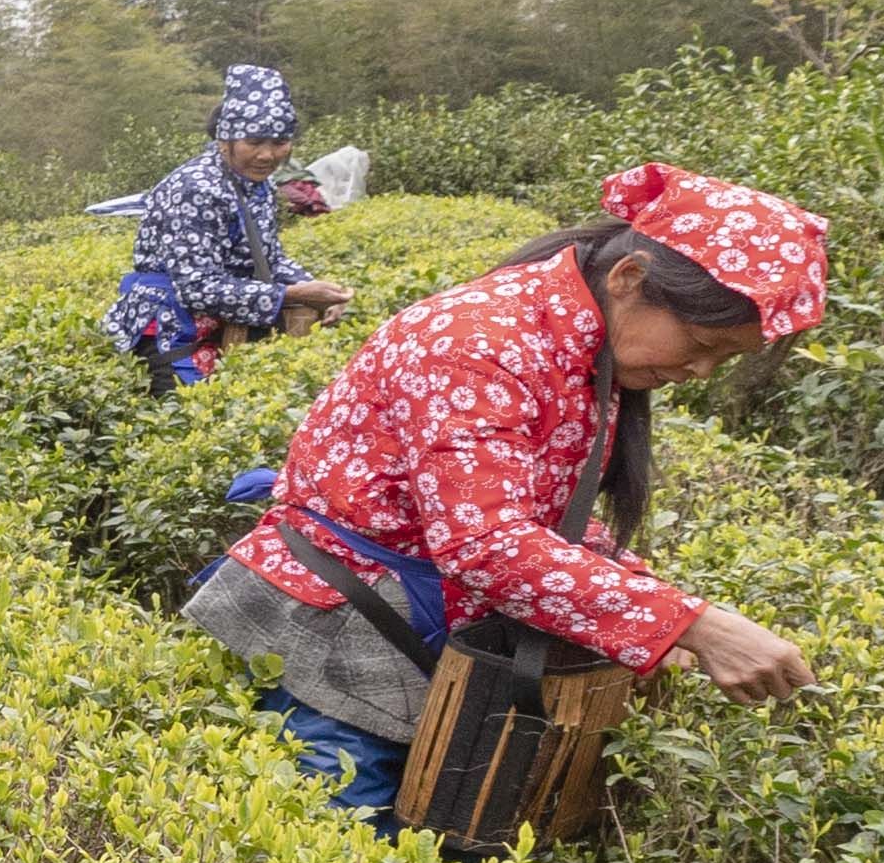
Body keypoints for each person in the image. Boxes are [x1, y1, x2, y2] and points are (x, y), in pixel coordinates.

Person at [184, 163, 833, 825]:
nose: (699, 371)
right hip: (341, 639)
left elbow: (546, 514)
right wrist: (693, 623)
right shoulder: (478, 342)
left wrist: (657, 619)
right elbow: (488, 545)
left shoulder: (580, 345)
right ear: (629, 279)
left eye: (725, 361)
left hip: (416, 625)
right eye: (703, 344)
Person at [107, 64, 356, 385]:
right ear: (226, 140)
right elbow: (196, 287)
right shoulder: (195, 188)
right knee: (190, 417)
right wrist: (292, 293)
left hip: (228, 316)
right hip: (171, 325)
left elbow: (270, 260)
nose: (267, 155)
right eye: (253, 142)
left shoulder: (258, 185)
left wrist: (320, 293)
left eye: (279, 142)